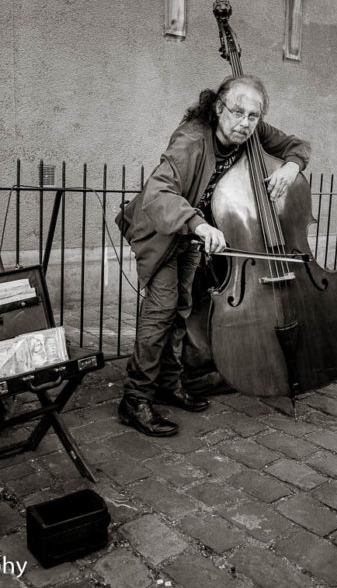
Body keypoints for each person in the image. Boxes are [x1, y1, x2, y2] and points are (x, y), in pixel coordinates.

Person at [115, 75, 311, 436]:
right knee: (160, 312)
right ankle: (134, 399)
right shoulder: (191, 139)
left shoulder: (252, 129)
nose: (244, 123)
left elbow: (297, 145)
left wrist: (291, 165)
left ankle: (169, 384)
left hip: (194, 234)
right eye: (238, 112)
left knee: (181, 310)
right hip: (164, 230)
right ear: (220, 107)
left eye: (254, 116)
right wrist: (199, 225)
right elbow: (159, 192)